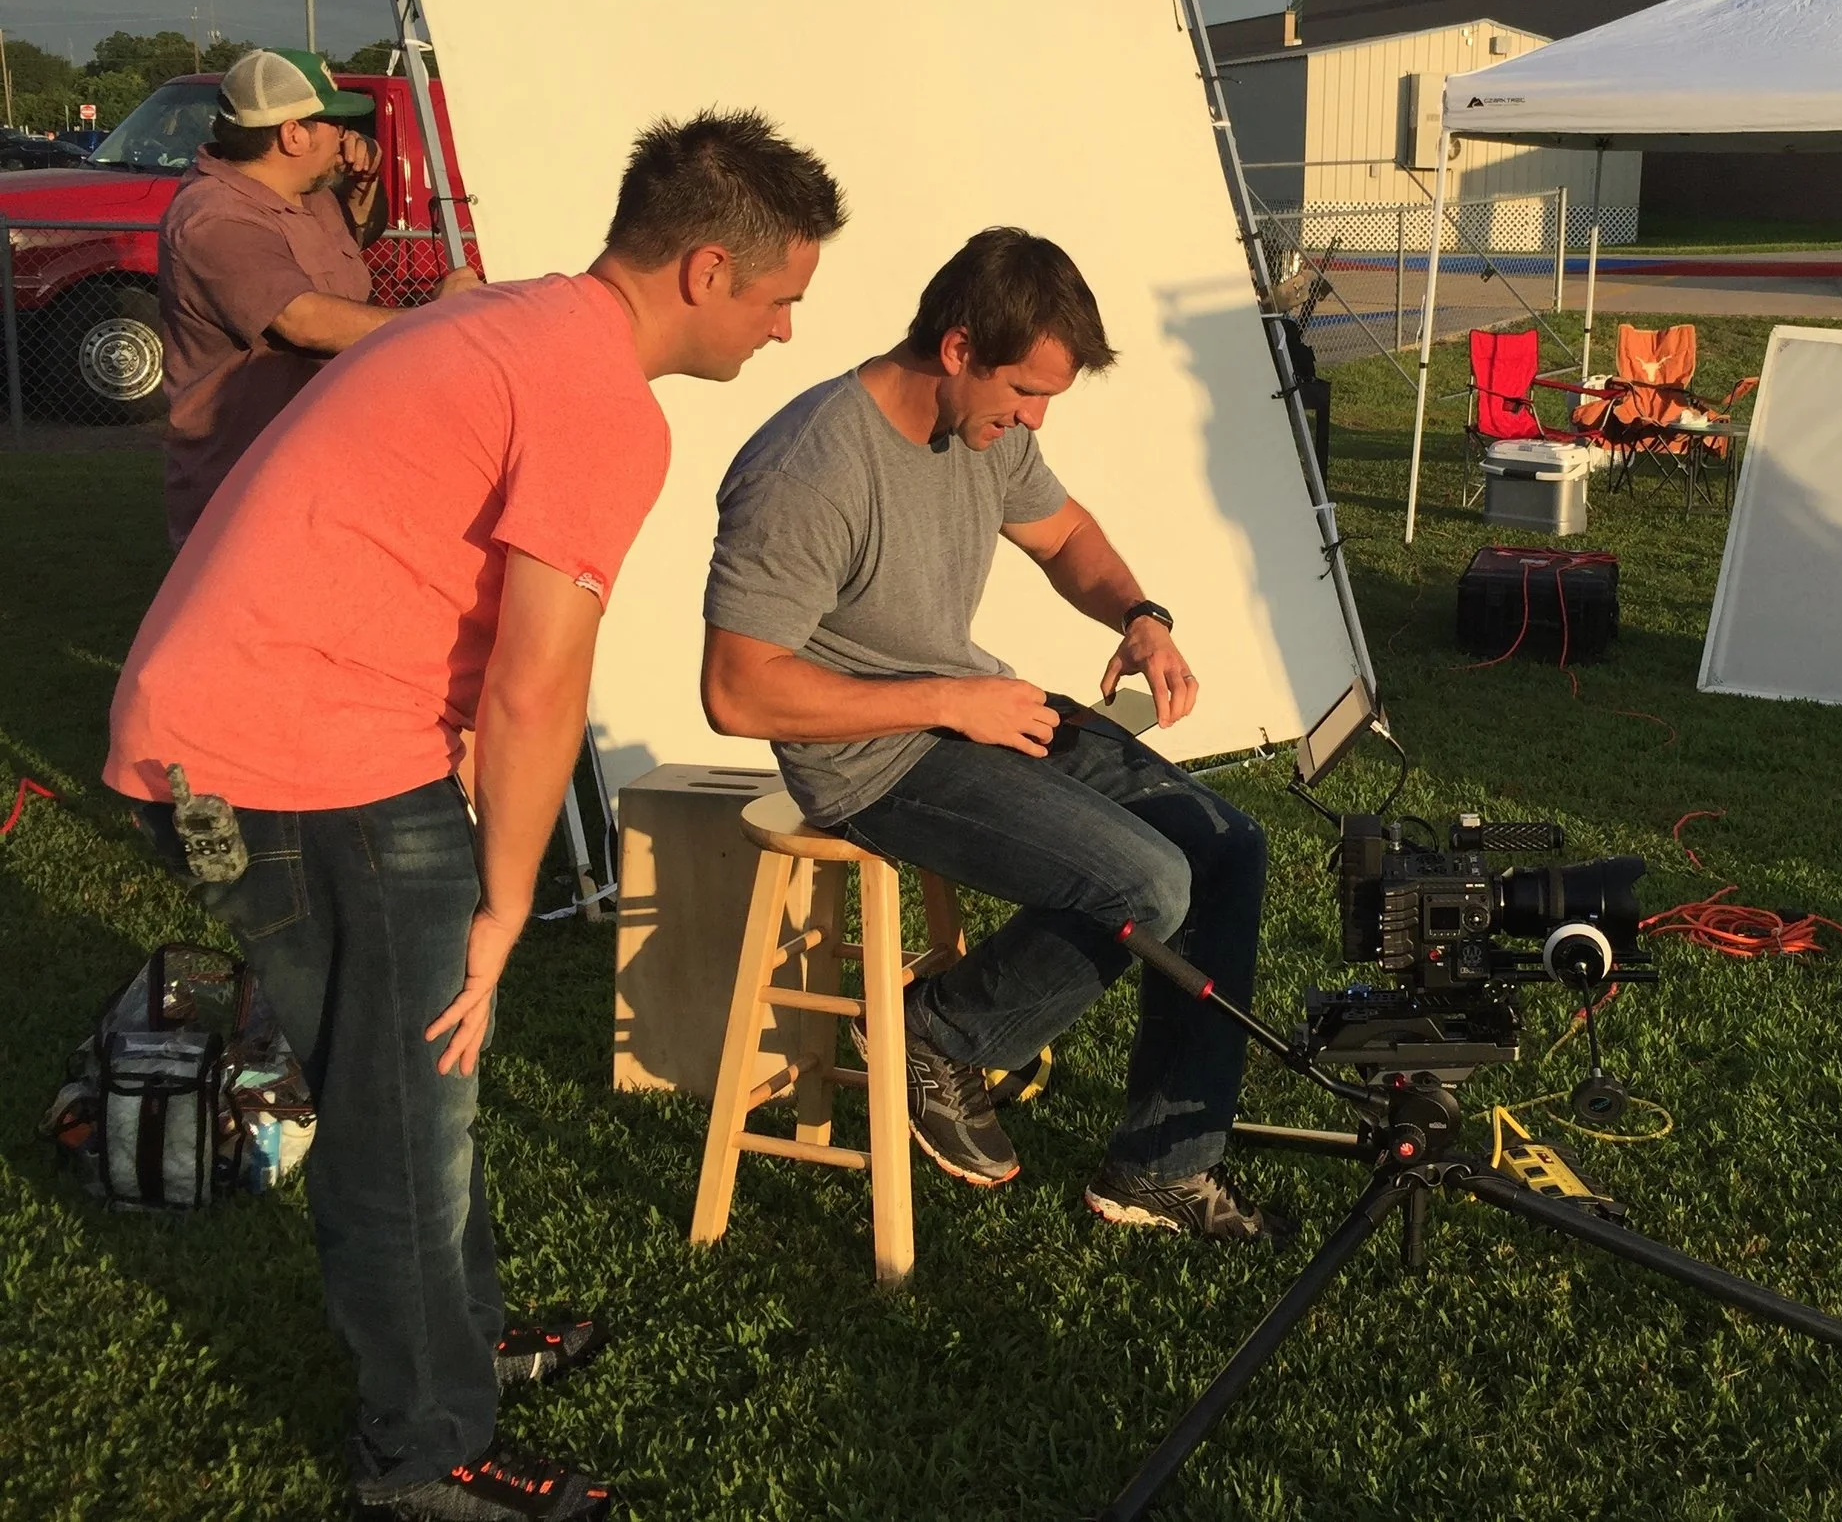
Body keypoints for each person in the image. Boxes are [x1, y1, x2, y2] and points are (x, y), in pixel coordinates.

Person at [104, 110, 848, 1522]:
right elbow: (536, 684)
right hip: (300, 764)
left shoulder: (511, 318)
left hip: (243, 734)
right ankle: (421, 1452)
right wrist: (509, 903)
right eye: (779, 297)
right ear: (706, 270)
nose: (784, 329)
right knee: (398, 1114)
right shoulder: (598, 400)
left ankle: (464, 1337)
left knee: (418, 1083)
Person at [700, 227, 1287, 1242]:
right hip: (870, 762)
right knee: (1148, 883)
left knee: (1227, 847)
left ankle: (1161, 1169)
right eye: (1025, 392)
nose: (1034, 419)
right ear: (959, 348)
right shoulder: (809, 467)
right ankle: (937, 1032)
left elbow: (1066, 535)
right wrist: (947, 701)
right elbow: (738, 692)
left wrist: (1140, 616)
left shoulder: (988, 429)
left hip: (966, 711)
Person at [156, 47, 480, 546]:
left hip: (314, 461)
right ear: (293, 135)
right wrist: (435, 318)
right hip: (246, 483)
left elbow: (358, 234)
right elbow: (302, 319)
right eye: (336, 122)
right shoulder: (215, 218)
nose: (348, 137)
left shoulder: (307, 193)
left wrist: (364, 183)